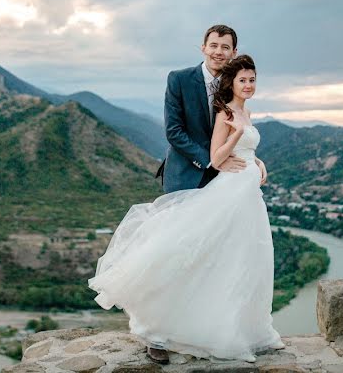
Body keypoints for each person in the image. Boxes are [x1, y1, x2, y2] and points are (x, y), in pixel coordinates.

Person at [88, 54, 284, 363]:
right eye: (243, 80)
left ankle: (250, 330)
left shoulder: (247, 110)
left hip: (248, 195)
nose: (248, 85)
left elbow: (249, 149)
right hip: (230, 192)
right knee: (203, 256)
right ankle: (169, 327)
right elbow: (217, 158)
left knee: (245, 259)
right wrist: (234, 135)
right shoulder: (226, 113)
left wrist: (258, 162)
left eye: (252, 80)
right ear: (231, 82)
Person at [157, 24, 245, 194]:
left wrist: (255, 162)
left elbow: (238, 130)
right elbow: (173, 131)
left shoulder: (235, 85)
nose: (218, 52)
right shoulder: (179, 79)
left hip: (223, 179)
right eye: (213, 45)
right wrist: (212, 161)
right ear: (203, 48)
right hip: (184, 176)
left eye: (225, 47)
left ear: (234, 52)